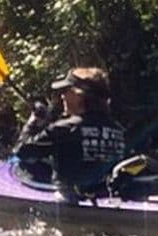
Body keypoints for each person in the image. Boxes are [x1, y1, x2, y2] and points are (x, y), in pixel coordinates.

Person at [13, 67, 126, 200]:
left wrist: (34, 121)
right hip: (105, 198)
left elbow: (22, 152)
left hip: (68, 202)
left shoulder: (64, 129)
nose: (62, 96)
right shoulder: (119, 130)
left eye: (66, 91)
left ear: (80, 95)